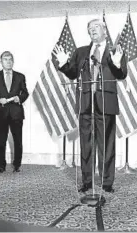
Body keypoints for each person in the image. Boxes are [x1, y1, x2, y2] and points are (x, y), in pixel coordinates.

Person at [53, 19, 127, 193]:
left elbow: (122, 74)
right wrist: (64, 64)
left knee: (106, 145)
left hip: (106, 103)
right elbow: (72, 74)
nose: (92, 30)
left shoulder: (116, 50)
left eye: (96, 27)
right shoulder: (81, 52)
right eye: (89, 28)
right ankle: (87, 181)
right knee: (86, 144)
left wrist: (116, 64)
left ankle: (107, 182)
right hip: (85, 104)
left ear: (104, 30)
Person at [0, 51, 29, 173]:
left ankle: (17, 165)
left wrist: (19, 98)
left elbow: (25, 92)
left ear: (13, 61)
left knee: (18, 141)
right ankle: (1, 166)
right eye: (5, 59)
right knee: (1, 141)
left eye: (10, 59)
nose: (8, 61)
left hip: (16, 113)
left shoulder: (20, 76)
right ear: (1, 62)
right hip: (0, 113)